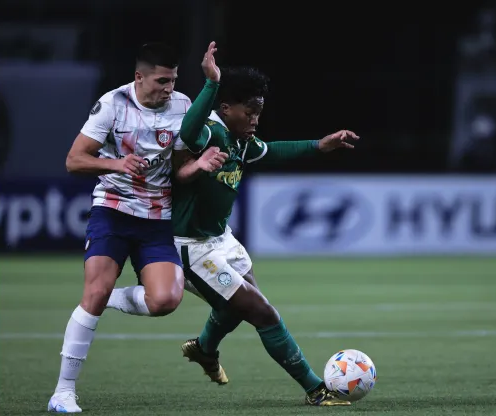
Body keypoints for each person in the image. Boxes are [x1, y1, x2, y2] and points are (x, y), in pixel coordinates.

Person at [171, 49, 359, 406]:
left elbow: (273, 151)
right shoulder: (210, 132)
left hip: (221, 240)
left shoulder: (242, 142)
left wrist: (320, 145)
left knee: (242, 307)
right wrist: (212, 83)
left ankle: (205, 349)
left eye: (259, 111)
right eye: (250, 111)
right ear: (227, 108)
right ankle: (316, 390)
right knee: (261, 311)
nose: (256, 118)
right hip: (192, 247)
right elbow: (187, 129)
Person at [47, 42, 224, 413]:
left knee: (165, 301)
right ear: (139, 77)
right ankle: (63, 392)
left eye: (173, 80)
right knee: (93, 292)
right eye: (161, 80)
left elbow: (179, 170)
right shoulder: (113, 104)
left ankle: (109, 295)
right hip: (113, 209)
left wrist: (202, 162)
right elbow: (74, 160)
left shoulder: (183, 105)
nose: (169, 88)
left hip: (158, 218)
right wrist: (116, 165)